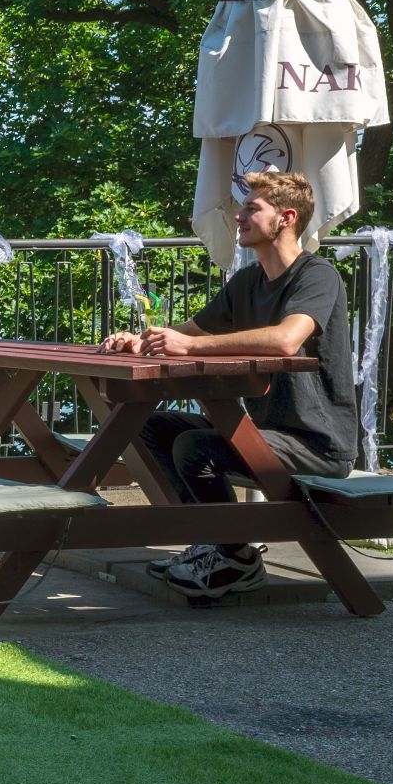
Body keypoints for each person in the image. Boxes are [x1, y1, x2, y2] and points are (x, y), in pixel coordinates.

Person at [100, 169, 356, 600]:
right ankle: (212, 542)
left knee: (196, 447)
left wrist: (190, 346)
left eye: (251, 208)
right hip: (267, 433)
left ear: (286, 218)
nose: (238, 216)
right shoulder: (247, 282)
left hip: (316, 444)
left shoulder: (317, 275)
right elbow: (188, 332)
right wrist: (141, 342)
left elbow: (287, 339)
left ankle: (234, 556)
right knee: (147, 426)